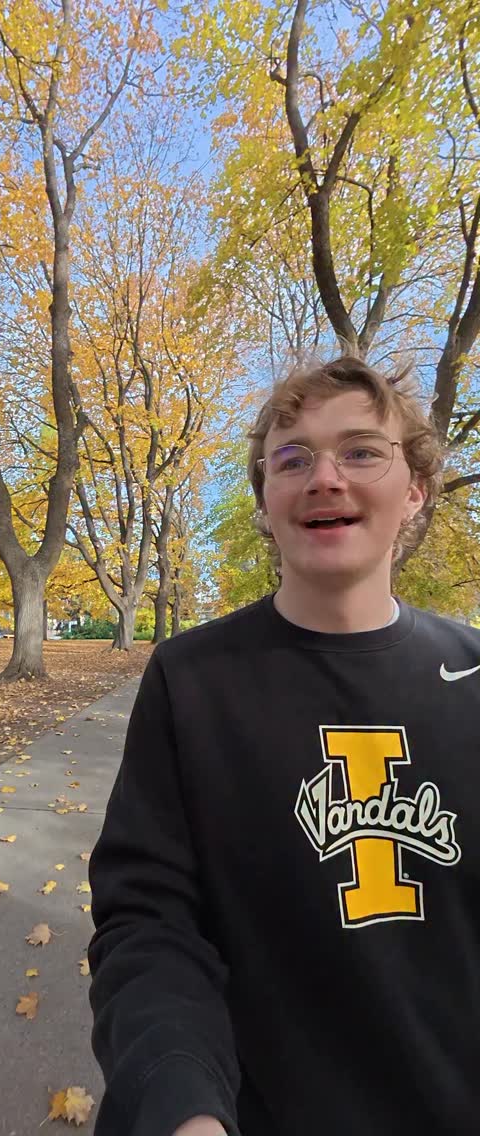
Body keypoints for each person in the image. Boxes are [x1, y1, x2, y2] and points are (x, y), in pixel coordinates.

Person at [87, 356, 478, 1136]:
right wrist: (183, 1105)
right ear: (266, 502)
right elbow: (148, 923)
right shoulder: (191, 679)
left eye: (361, 451)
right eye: (292, 459)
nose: (324, 478)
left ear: (415, 490)